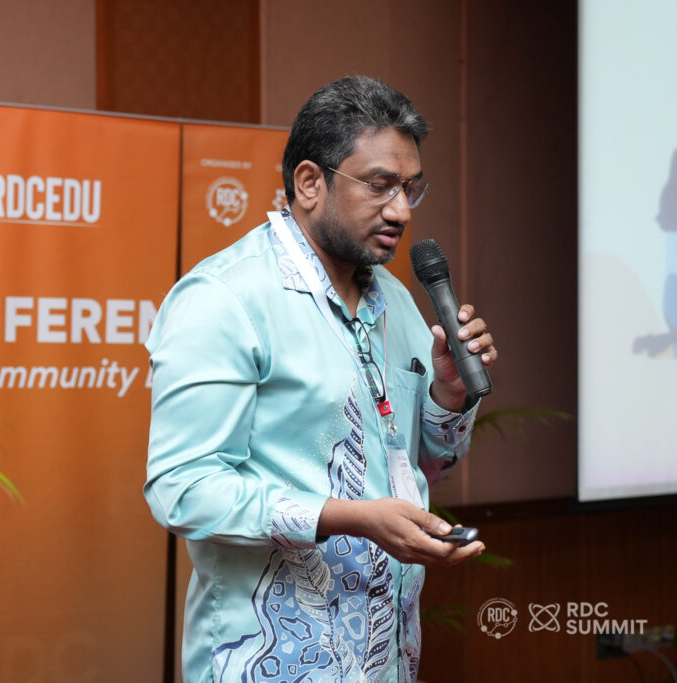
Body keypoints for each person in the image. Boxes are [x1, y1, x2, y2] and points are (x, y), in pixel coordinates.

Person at [143, 76, 498, 683]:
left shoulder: (396, 300)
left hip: (386, 659)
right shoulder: (225, 299)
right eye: (381, 185)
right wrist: (348, 517)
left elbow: (431, 464)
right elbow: (182, 489)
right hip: (269, 662)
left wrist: (449, 394)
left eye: (411, 188)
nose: (401, 211)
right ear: (310, 182)